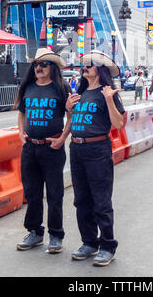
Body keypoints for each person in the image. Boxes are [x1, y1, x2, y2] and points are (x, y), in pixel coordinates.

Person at [66, 50, 125, 267]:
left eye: (90, 65)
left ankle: (107, 246)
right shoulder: (81, 91)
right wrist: (68, 109)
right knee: (81, 199)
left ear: (100, 70)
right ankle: (89, 243)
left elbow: (118, 124)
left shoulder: (107, 92)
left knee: (101, 200)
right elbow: (73, 120)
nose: (85, 67)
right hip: (77, 149)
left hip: (97, 149)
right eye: (85, 65)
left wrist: (109, 100)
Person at [14, 48, 72, 254]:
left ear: (52, 67)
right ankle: (35, 232)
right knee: (32, 193)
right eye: (36, 64)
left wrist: (63, 138)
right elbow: (22, 114)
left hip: (52, 148)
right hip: (30, 147)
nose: (38, 68)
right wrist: (21, 134)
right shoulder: (27, 86)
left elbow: (72, 114)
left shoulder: (61, 88)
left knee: (55, 193)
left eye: (43, 64)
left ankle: (56, 235)